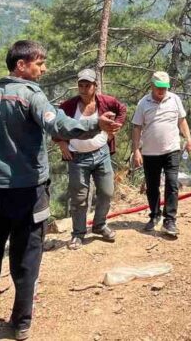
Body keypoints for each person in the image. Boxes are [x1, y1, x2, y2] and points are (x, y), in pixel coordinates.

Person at [0, 40, 121, 341]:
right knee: (26, 259)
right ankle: (20, 324)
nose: (44, 68)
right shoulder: (31, 95)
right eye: (39, 63)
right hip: (28, 193)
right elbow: (58, 125)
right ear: (21, 65)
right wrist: (95, 124)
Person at [56, 68, 127, 250]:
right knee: (79, 198)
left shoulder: (106, 102)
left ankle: (99, 224)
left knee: (107, 191)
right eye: (81, 85)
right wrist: (61, 143)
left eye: (88, 85)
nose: (84, 88)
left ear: (95, 86)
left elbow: (122, 109)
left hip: (101, 154)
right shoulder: (69, 106)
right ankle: (78, 234)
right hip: (77, 158)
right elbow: (55, 124)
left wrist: (115, 128)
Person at [131, 70, 191, 238]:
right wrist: (136, 149)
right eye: (159, 88)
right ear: (152, 85)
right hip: (150, 153)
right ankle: (155, 214)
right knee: (152, 186)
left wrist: (188, 138)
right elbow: (136, 127)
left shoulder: (174, 99)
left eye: (164, 88)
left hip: (172, 149)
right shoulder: (143, 103)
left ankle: (170, 220)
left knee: (172, 184)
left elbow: (182, 120)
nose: (161, 91)